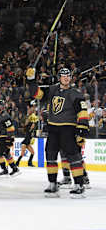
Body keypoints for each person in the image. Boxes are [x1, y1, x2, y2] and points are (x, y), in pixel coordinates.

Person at [27, 67, 88, 198]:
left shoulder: (75, 93)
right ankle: (52, 184)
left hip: (68, 128)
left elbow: (83, 112)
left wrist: (82, 129)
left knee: (73, 156)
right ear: (59, 77)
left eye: (68, 76)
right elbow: (36, 94)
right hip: (53, 128)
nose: (66, 78)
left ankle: (79, 185)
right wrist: (31, 81)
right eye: (63, 76)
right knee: (50, 154)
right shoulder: (53, 89)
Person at [0, 100, 21, 178]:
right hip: (1, 136)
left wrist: (9, 140)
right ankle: (14, 168)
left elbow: (11, 128)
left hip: (5, 137)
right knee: (6, 153)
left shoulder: (5, 116)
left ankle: (5, 169)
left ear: (1, 107)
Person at [16, 101, 38, 167]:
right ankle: (17, 163)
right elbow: (31, 125)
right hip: (25, 142)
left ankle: (29, 163)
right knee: (22, 153)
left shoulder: (29, 124)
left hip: (27, 142)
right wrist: (32, 128)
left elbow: (31, 124)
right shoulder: (29, 127)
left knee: (33, 152)